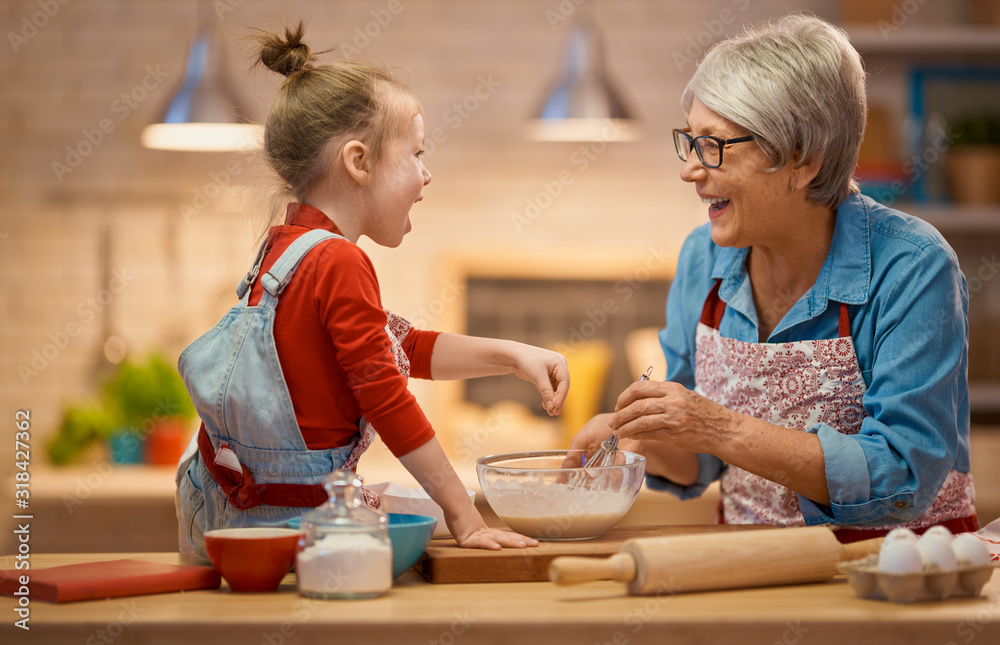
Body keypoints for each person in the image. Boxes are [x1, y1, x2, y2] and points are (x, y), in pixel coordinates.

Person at [570, 14, 978, 541]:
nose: (690, 170)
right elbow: (704, 460)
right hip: (755, 572)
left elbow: (900, 476)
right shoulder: (702, 259)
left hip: (894, 580)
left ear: (804, 159)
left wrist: (717, 425)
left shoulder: (914, 268)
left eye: (713, 146)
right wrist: (643, 437)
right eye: (689, 142)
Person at [175, 22, 569, 556]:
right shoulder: (338, 259)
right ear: (358, 162)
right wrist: (465, 516)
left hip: (228, 511)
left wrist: (512, 355)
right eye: (416, 155)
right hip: (283, 523)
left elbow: (397, 350)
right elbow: (384, 394)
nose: (427, 176)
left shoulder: (287, 249)